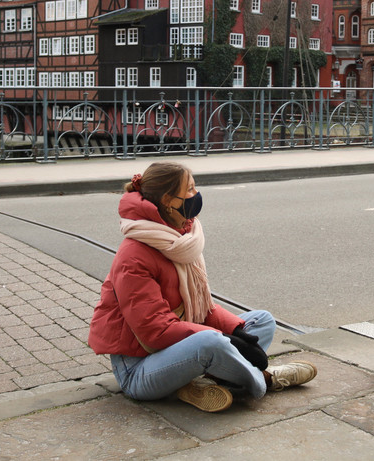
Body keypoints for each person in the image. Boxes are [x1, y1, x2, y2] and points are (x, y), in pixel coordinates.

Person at [88, 162, 317, 412]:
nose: (195, 194)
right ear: (168, 200)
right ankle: (265, 379)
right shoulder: (134, 255)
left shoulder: (180, 238)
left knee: (262, 321)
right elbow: (154, 330)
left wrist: (235, 332)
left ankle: (194, 383)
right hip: (139, 369)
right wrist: (225, 339)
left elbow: (201, 306)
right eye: (190, 189)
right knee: (210, 342)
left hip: (173, 347)